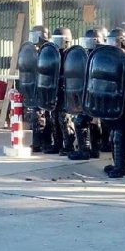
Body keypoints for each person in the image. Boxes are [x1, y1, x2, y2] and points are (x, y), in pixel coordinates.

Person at [100, 28, 125, 178]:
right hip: (112, 99)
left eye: (114, 41)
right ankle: (117, 165)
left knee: (118, 134)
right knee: (113, 134)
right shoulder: (112, 56)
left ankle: (120, 168)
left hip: (123, 101)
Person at [67, 28, 106, 160]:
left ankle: (85, 150)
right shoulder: (96, 55)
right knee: (94, 122)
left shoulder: (98, 56)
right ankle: (94, 150)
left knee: (80, 122)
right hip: (91, 94)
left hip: (93, 94)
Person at [20, 25, 53, 153]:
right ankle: (37, 142)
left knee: (47, 117)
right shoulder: (34, 50)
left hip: (46, 88)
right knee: (36, 116)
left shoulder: (49, 51)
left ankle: (46, 142)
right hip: (35, 88)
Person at [44, 27, 76, 156]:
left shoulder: (71, 55)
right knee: (54, 118)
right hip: (55, 91)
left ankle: (68, 145)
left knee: (65, 119)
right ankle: (57, 144)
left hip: (67, 92)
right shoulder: (53, 53)